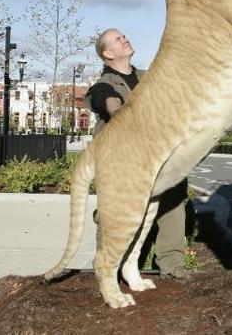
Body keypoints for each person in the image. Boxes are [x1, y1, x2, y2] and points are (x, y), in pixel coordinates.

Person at [87, 28, 188, 278]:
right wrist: (119, 111)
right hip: (123, 163)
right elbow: (106, 100)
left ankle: (172, 266)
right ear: (107, 52)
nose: (125, 39)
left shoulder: (148, 77)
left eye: (124, 36)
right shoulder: (102, 85)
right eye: (117, 39)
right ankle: (110, 268)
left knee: (172, 204)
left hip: (160, 157)